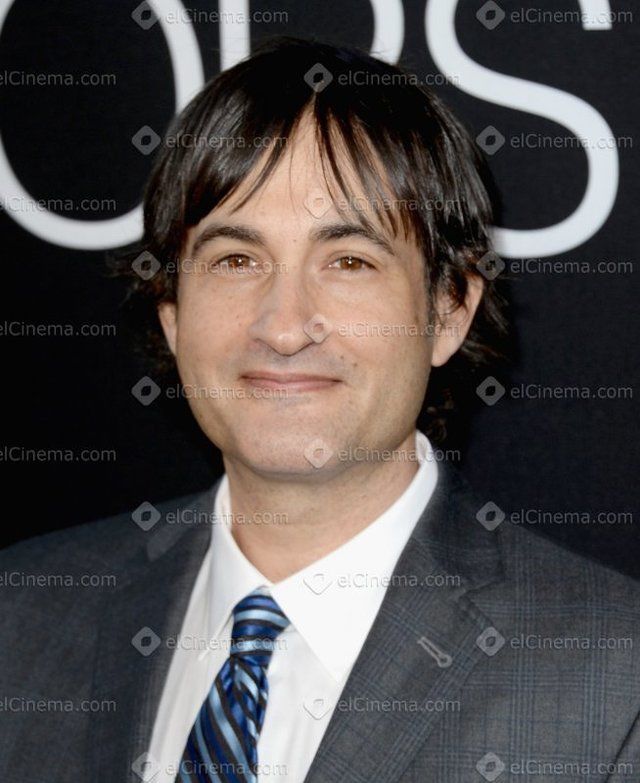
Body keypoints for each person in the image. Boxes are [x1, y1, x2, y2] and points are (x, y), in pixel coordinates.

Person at [1, 37, 638, 783]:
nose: (283, 326)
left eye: (349, 261)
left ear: (449, 309)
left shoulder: (614, 680)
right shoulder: (23, 614)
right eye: (236, 259)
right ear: (171, 312)